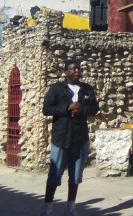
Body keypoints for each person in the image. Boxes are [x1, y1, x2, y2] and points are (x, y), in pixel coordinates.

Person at [40, 61, 99, 216]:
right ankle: (47, 209)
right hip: (61, 138)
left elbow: (95, 108)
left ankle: (70, 209)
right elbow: (46, 109)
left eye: (79, 68)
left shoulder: (86, 89)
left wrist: (82, 109)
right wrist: (67, 108)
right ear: (66, 72)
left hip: (80, 138)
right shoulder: (56, 89)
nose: (77, 71)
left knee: (75, 176)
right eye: (73, 68)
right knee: (54, 175)